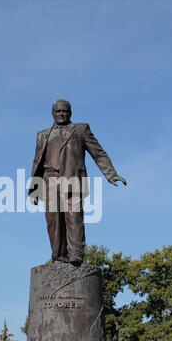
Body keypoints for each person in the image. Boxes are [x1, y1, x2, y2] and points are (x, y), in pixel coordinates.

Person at [29, 99, 127, 267]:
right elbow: (36, 162)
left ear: (70, 113)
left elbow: (98, 153)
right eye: (58, 111)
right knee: (53, 221)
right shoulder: (42, 135)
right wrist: (34, 190)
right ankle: (59, 255)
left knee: (74, 216)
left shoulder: (81, 129)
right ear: (52, 114)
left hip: (72, 178)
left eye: (65, 111)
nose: (61, 114)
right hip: (49, 179)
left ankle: (76, 253)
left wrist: (111, 174)